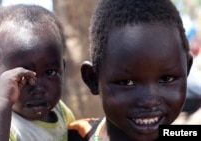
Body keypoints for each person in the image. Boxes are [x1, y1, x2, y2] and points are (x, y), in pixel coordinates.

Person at [68, 0, 193, 141]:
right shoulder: (74, 135)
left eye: (166, 79)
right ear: (93, 79)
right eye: (127, 82)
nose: (149, 101)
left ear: (186, 70)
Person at [0, 4, 75, 141]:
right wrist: (3, 103)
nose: (37, 88)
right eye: (21, 78)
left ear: (62, 68)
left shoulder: (61, 113)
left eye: (49, 72)